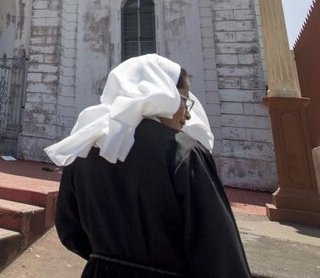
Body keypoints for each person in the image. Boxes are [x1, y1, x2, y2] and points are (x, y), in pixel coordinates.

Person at [46, 54, 250, 278]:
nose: (188, 114)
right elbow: (219, 252)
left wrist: (109, 260)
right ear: (163, 94)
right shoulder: (184, 152)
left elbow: (70, 229)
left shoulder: (85, 146)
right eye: (184, 100)